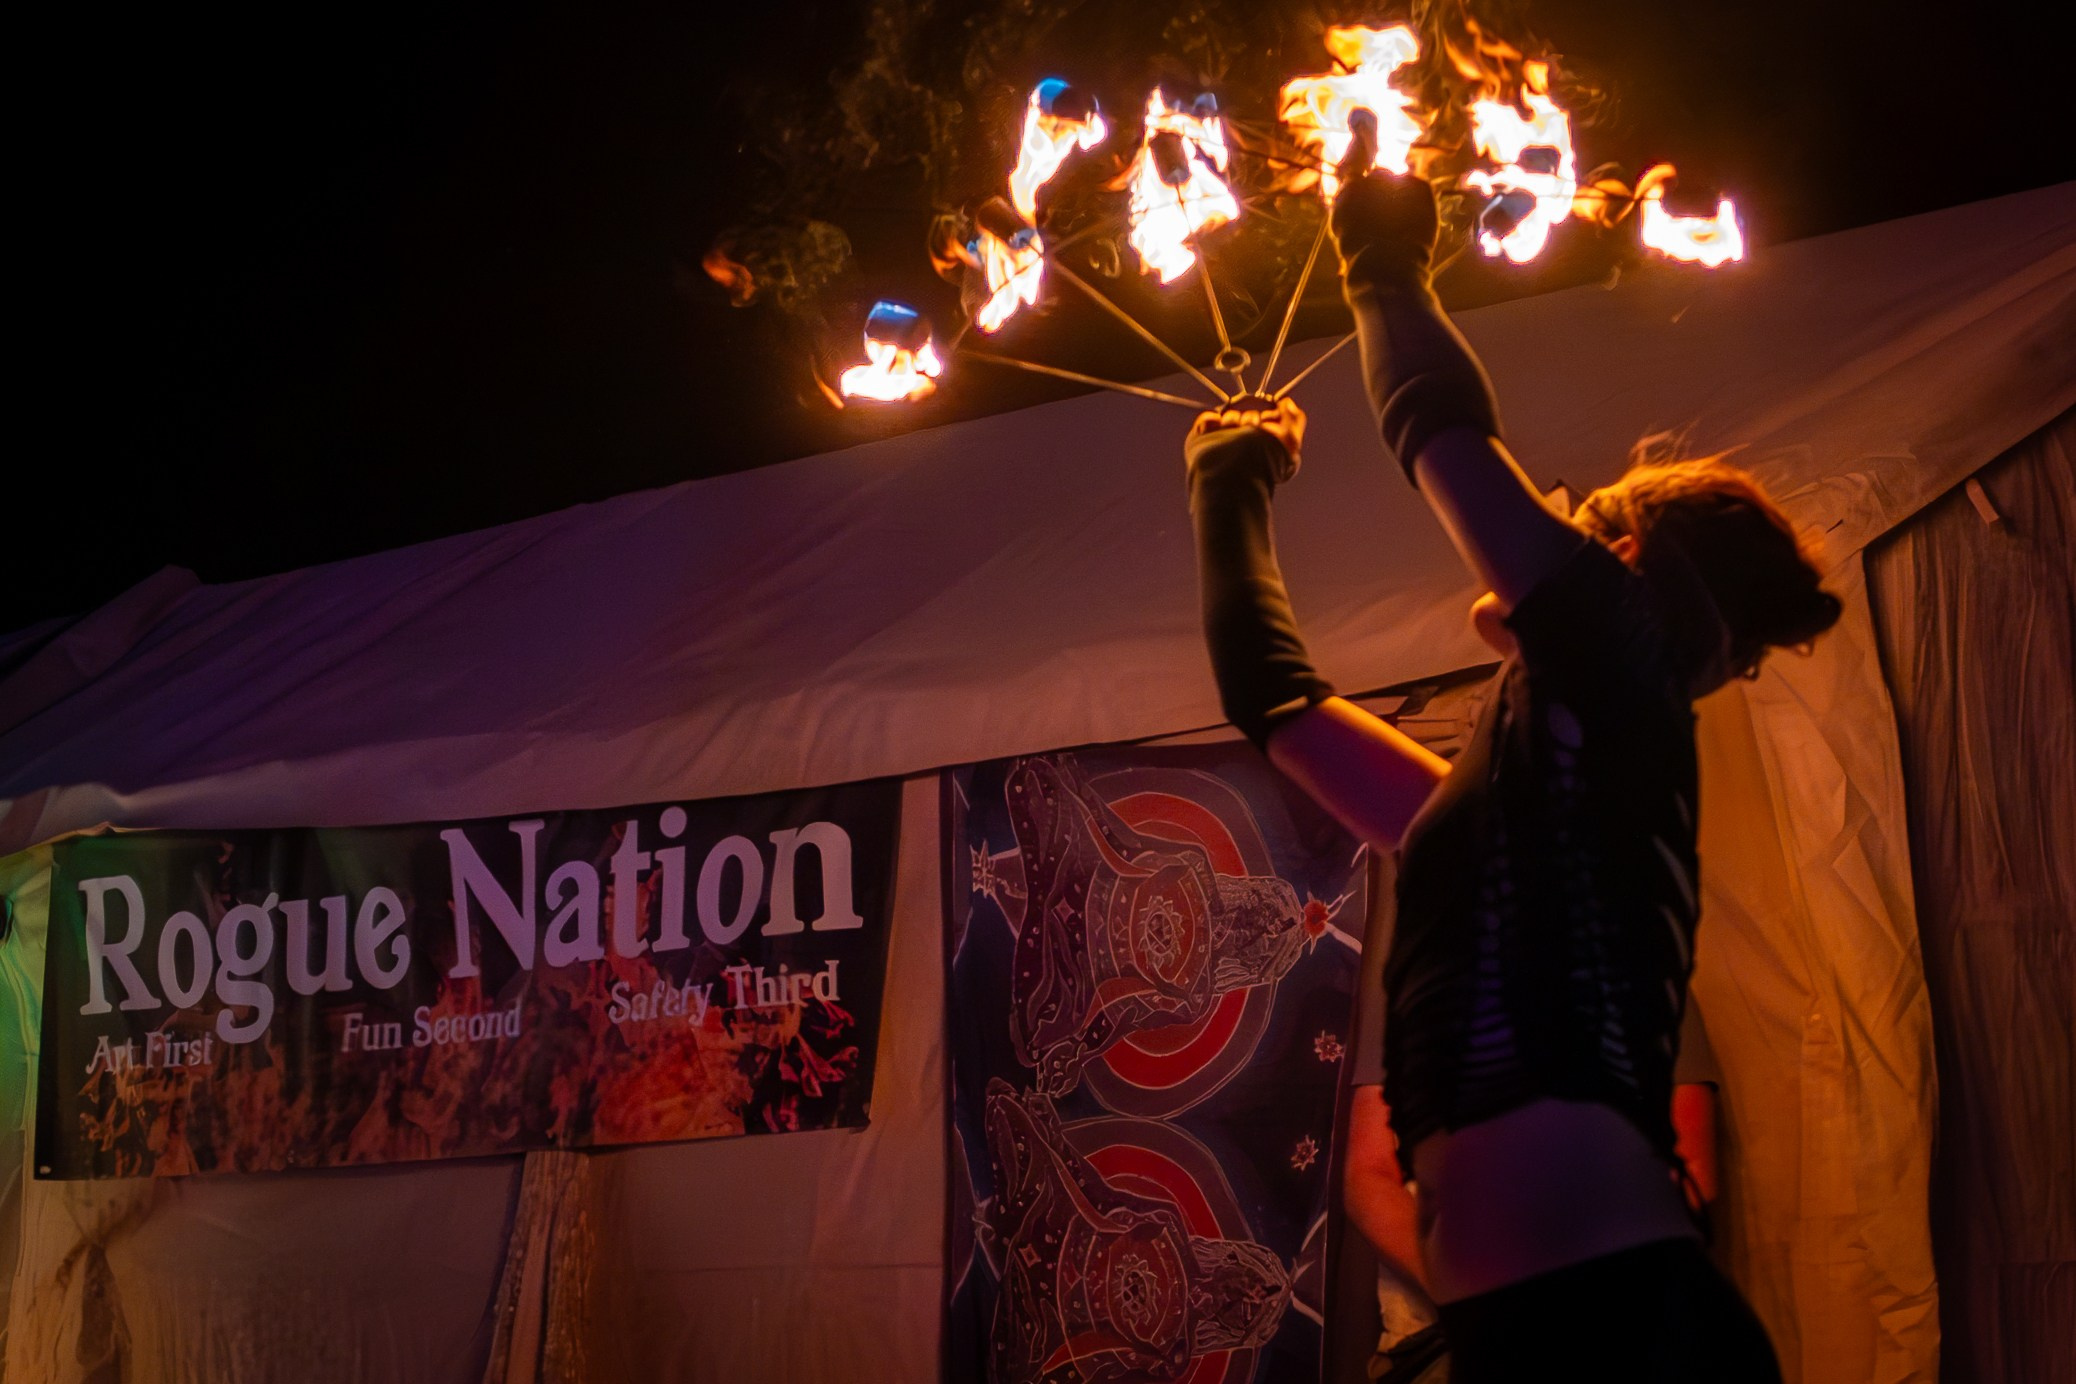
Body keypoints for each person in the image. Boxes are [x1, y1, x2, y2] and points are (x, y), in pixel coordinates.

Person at [1181, 162, 1840, 1381]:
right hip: (1525, 1330)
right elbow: (1278, 707)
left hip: (1619, 1329)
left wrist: (1381, 258)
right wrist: (1229, 488)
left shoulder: (1619, 645)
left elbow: (1438, 432)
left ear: (1626, 561)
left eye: (1581, 519)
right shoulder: (1502, 804)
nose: (1556, 523)